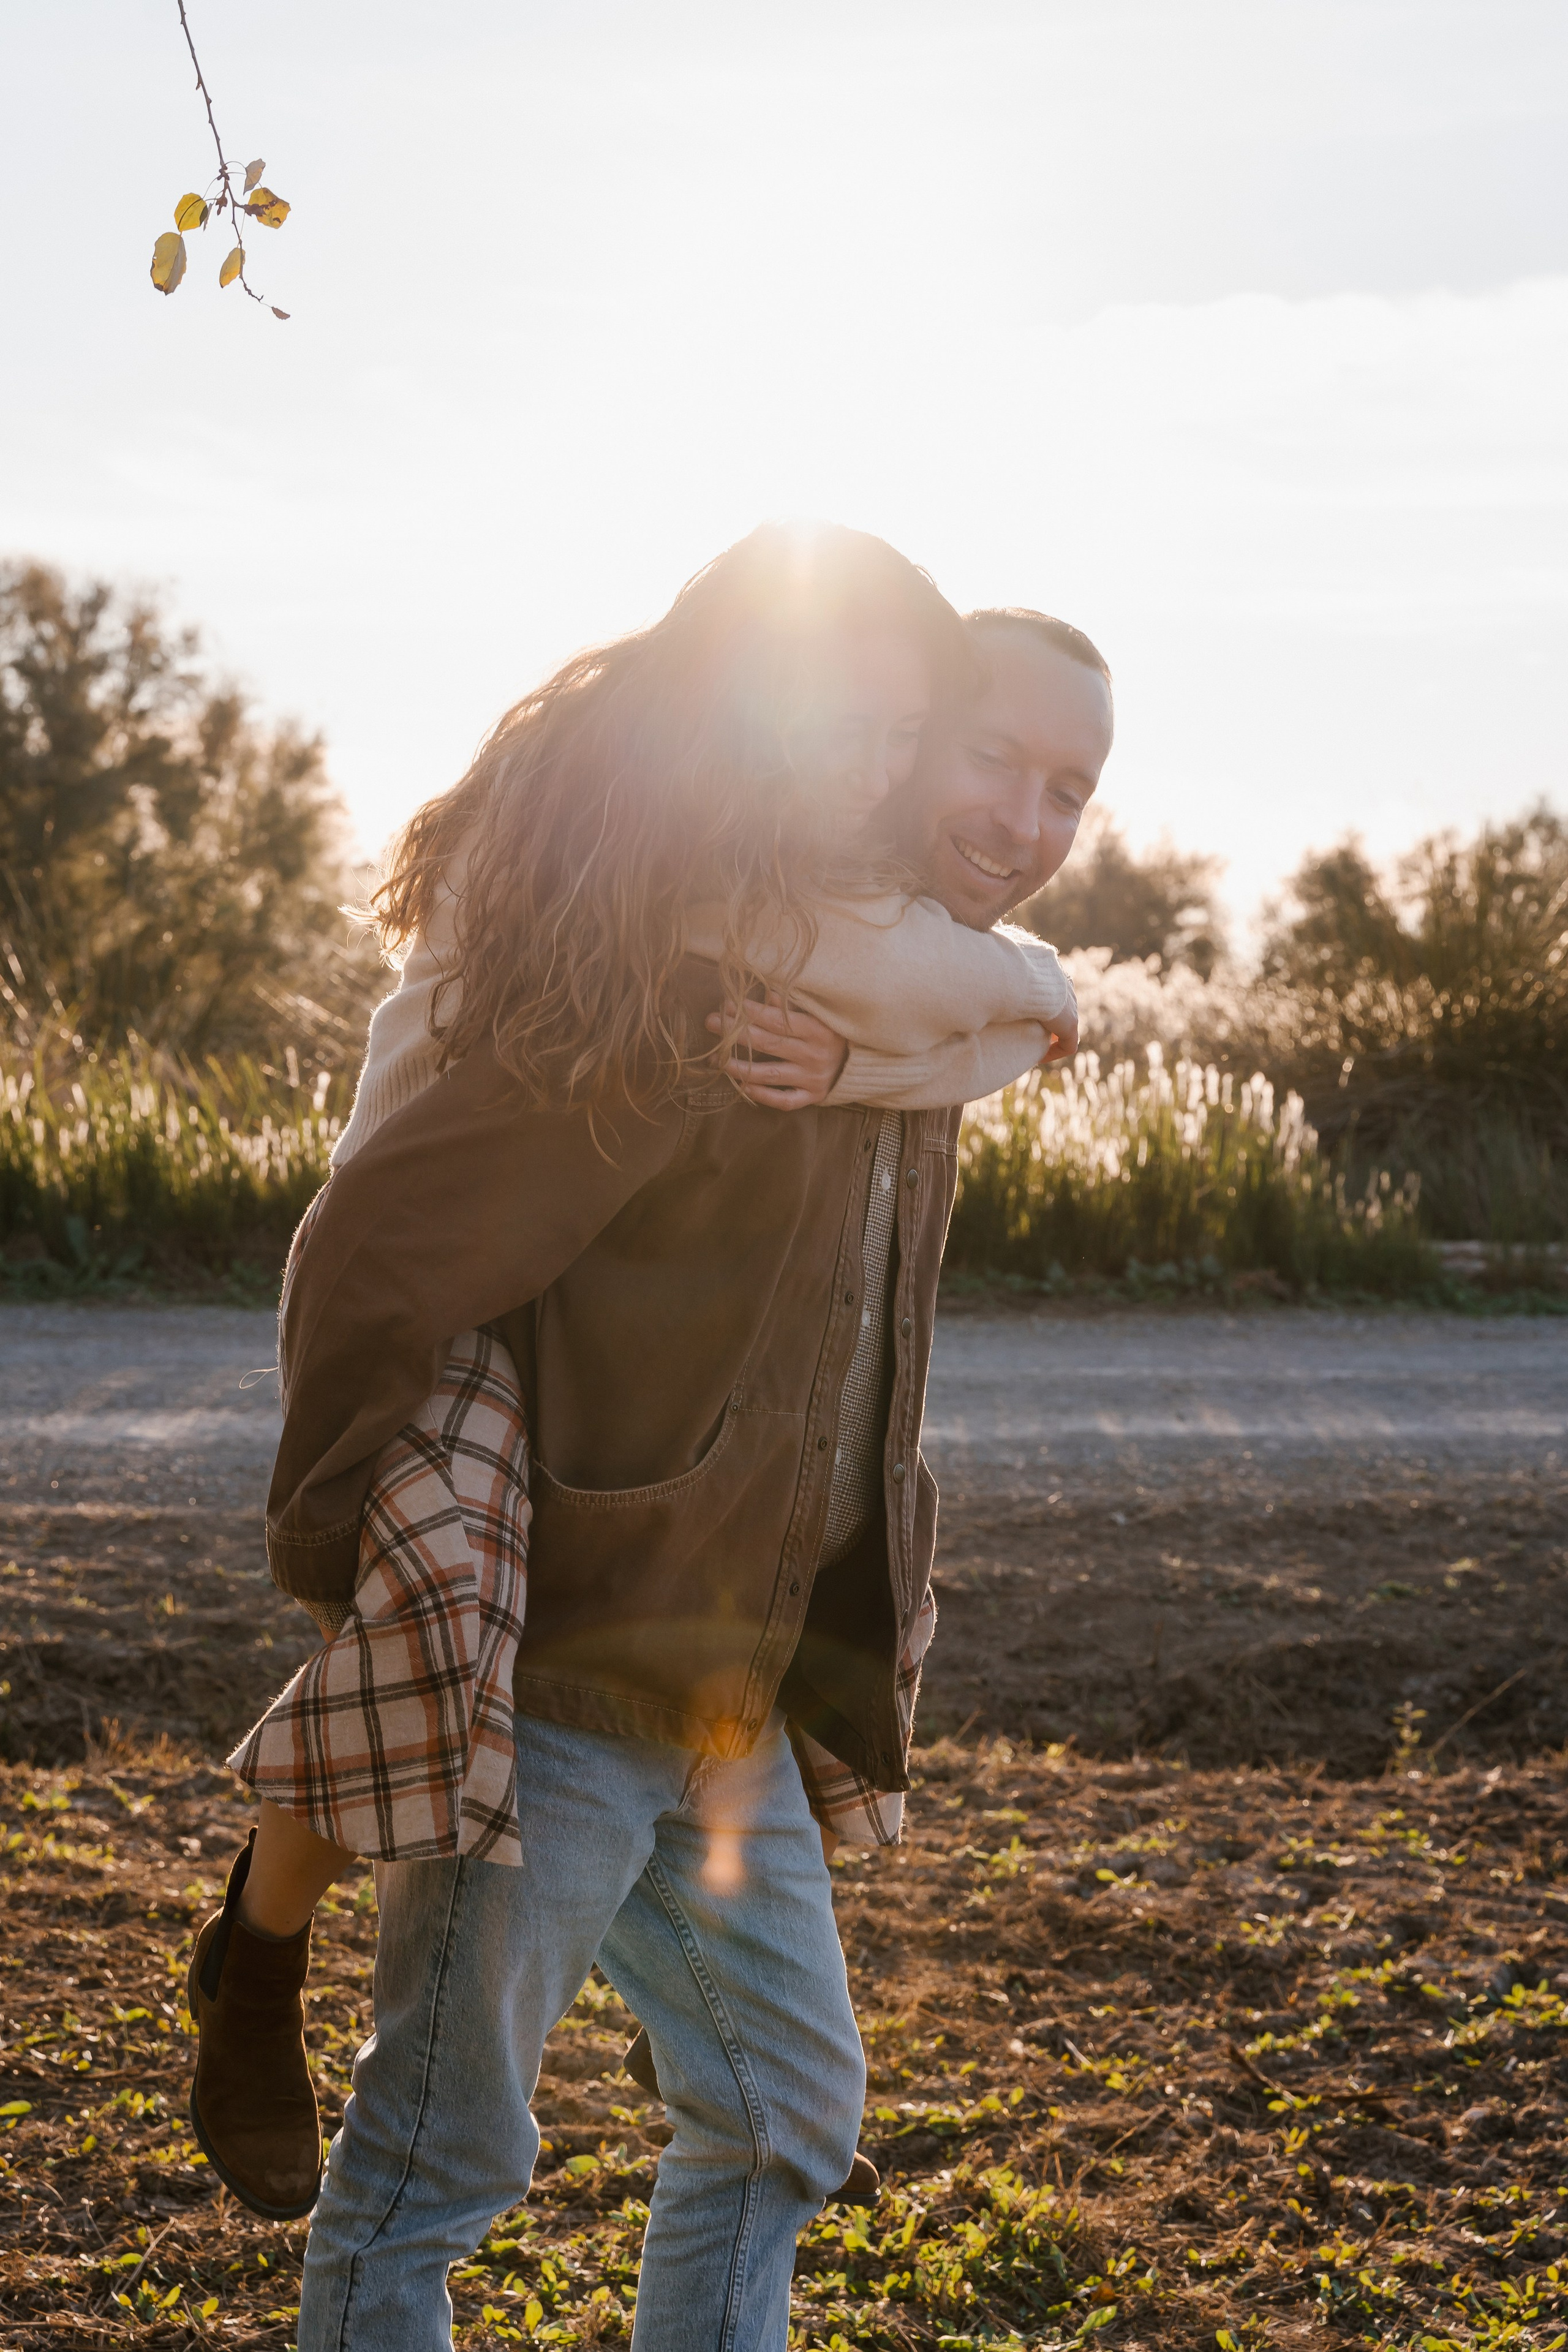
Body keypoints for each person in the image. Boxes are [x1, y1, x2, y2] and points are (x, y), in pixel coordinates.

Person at [197, 554, 1115, 2346]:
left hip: (732, 1689)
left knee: (785, 2120)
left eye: (1068, 787)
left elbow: (1013, 1017)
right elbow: (384, 1236)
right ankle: (258, 1935)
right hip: (562, 1674)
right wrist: (337, 1537)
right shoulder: (687, 975)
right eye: (980, 752)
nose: (1021, 815)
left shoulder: (893, 1008)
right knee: (429, 2175)